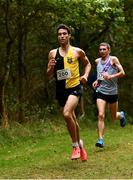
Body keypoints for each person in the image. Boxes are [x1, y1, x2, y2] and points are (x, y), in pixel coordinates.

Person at [47, 24, 91, 161]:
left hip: (75, 87)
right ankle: (81, 146)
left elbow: (88, 64)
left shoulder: (78, 51)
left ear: (69, 35)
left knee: (66, 113)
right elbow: (48, 74)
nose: (62, 36)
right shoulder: (53, 53)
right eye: (59, 34)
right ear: (57, 37)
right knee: (71, 118)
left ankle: (75, 146)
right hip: (61, 90)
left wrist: (85, 76)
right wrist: (50, 67)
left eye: (64, 34)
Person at [92, 42, 126, 148]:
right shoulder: (97, 61)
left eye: (104, 49)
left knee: (113, 116)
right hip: (101, 91)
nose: (102, 51)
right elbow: (102, 74)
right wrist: (97, 81)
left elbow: (122, 73)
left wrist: (111, 76)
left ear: (109, 50)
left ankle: (121, 115)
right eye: (100, 49)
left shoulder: (113, 60)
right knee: (101, 115)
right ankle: (100, 140)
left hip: (112, 92)